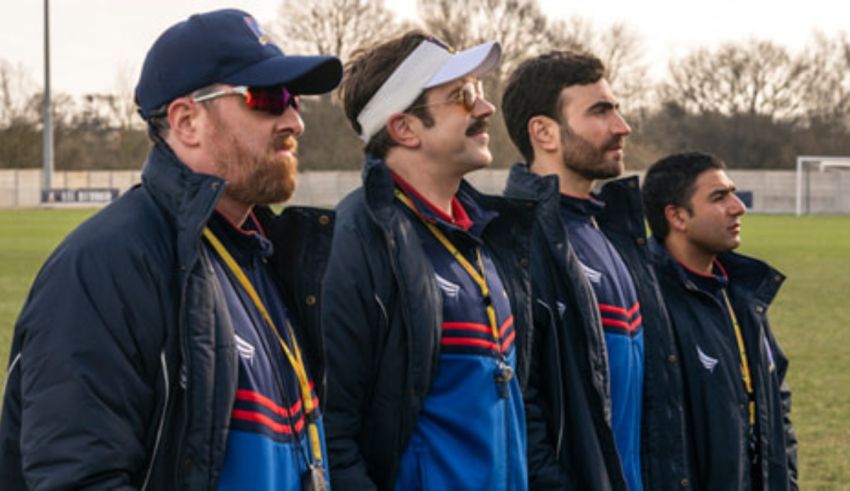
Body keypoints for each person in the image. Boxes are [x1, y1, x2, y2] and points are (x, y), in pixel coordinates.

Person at [0, 9, 342, 490]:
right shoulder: (105, 265)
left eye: (295, 99)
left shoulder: (265, 255)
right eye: (268, 97)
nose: (294, 119)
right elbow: (76, 477)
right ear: (186, 121)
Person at [321, 31, 535, 490]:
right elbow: (334, 433)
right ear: (404, 128)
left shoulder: (485, 235)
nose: (485, 109)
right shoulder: (357, 238)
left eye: (477, 93)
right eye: (460, 97)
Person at [501, 51, 691, 490]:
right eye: (600, 112)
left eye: (616, 109)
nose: (622, 126)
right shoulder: (519, 241)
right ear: (544, 132)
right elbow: (521, 412)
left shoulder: (612, 232)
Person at [641, 151, 798, 490]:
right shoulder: (647, 302)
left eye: (733, 193)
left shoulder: (743, 293)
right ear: (678, 217)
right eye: (719, 197)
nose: (738, 206)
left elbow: (776, 401)